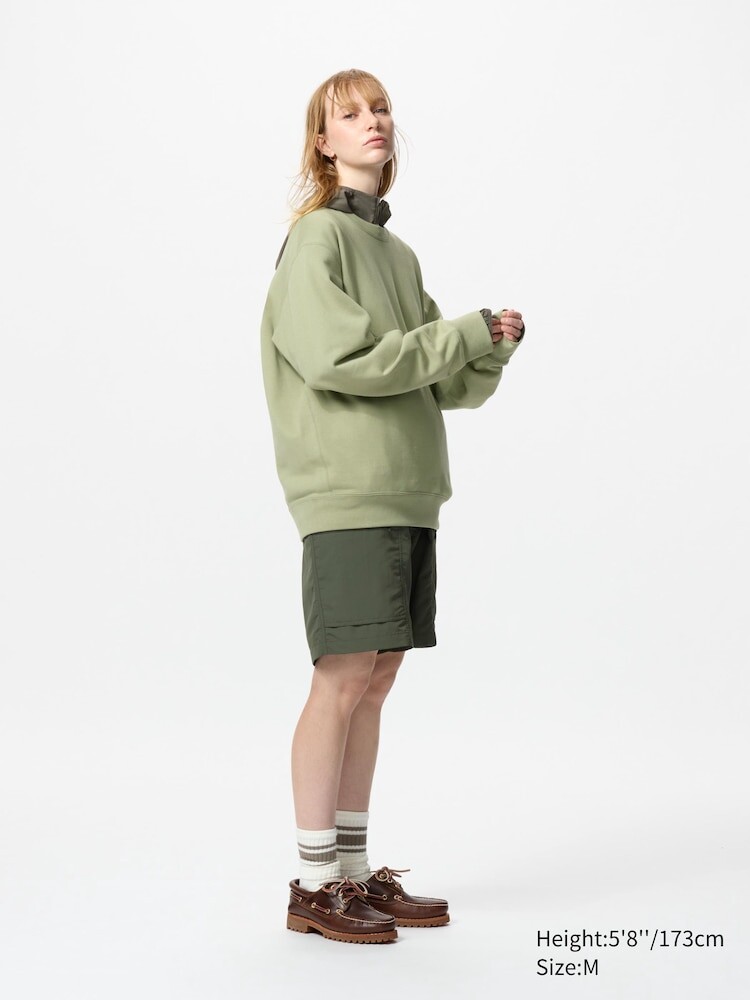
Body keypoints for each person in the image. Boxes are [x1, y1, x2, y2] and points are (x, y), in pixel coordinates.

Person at [260, 68, 525, 945]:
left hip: (408, 491)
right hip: (348, 490)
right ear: (323, 142)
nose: (372, 121)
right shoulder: (316, 241)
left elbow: (441, 379)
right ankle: (312, 885)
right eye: (350, 113)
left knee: (375, 681)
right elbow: (346, 362)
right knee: (342, 677)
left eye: (381, 109)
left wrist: (489, 346)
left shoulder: (397, 255)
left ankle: (351, 869)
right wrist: (461, 333)